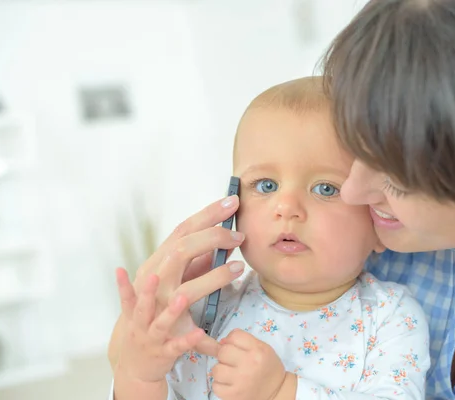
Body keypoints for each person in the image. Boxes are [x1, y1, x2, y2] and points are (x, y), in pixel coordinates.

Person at [109, 0, 455, 398]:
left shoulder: (386, 312)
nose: (355, 192)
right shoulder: (220, 304)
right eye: (357, 151)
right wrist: (135, 364)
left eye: (396, 178)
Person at [110, 77, 430, 400]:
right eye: (266, 185)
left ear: (379, 218)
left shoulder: (391, 316)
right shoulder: (205, 310)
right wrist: (139, 376)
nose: (286, 208)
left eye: (326, 188)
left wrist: (282, 391)